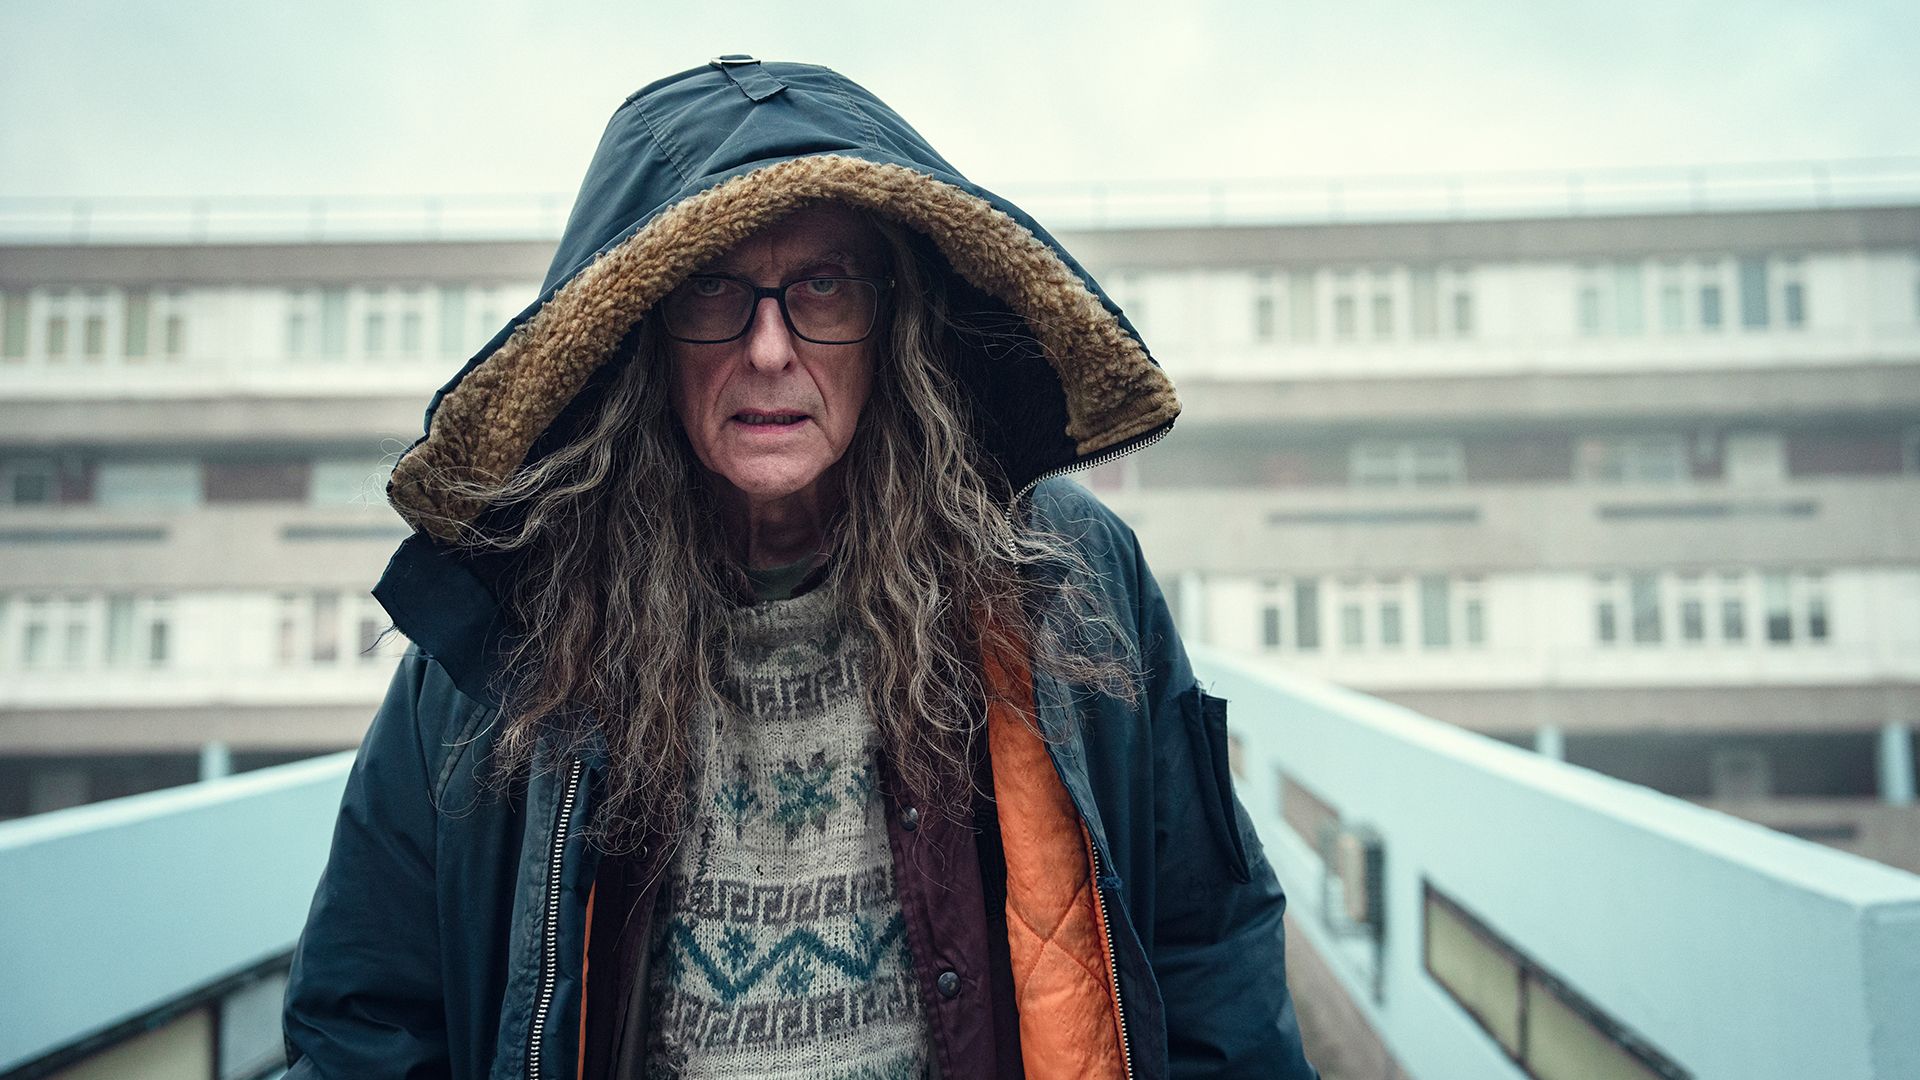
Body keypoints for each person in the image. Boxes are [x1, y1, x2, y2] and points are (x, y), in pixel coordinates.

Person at [284, 56, 1318, 1080]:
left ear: (891, 323)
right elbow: (365, 1023)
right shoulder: (508, 638)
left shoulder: (1060, 580)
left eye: (822, 286)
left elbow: (1209, 955)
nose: (771, 348)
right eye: (712, 289)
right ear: (642, 335)